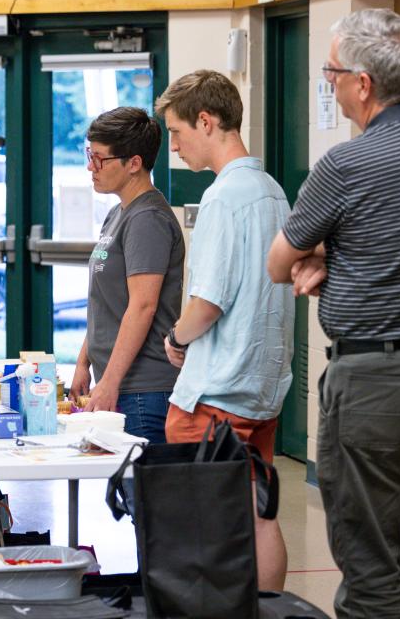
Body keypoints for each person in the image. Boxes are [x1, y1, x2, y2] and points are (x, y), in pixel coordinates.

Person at [268, 9, 400, 618]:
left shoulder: (347, 163)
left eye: (332, 74)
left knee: (369, 555)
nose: (329, 86)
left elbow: (280, 263)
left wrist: (326, 257)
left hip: (376, 379)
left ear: (362, 84)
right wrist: (346, 255)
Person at [154, 70, 294, 592]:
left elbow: (206, 302)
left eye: (177, 132)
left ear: (206, 122)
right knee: (260, 515)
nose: (174, 146)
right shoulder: (273, 191)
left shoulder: (221, 197)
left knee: (205, 530)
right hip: (259, 391)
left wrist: (175, 339)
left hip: (214, 396)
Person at [69, 106, 185, 444]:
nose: (91, 167)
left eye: (100, 159)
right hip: (120, 383)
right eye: (89, 155)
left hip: (142, 391)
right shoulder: (118, 214)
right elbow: (109, 303)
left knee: (142, 497)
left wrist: (110, 383)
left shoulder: (147, 219)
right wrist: (83, 362)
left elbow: (142, 307)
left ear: (134, 163)